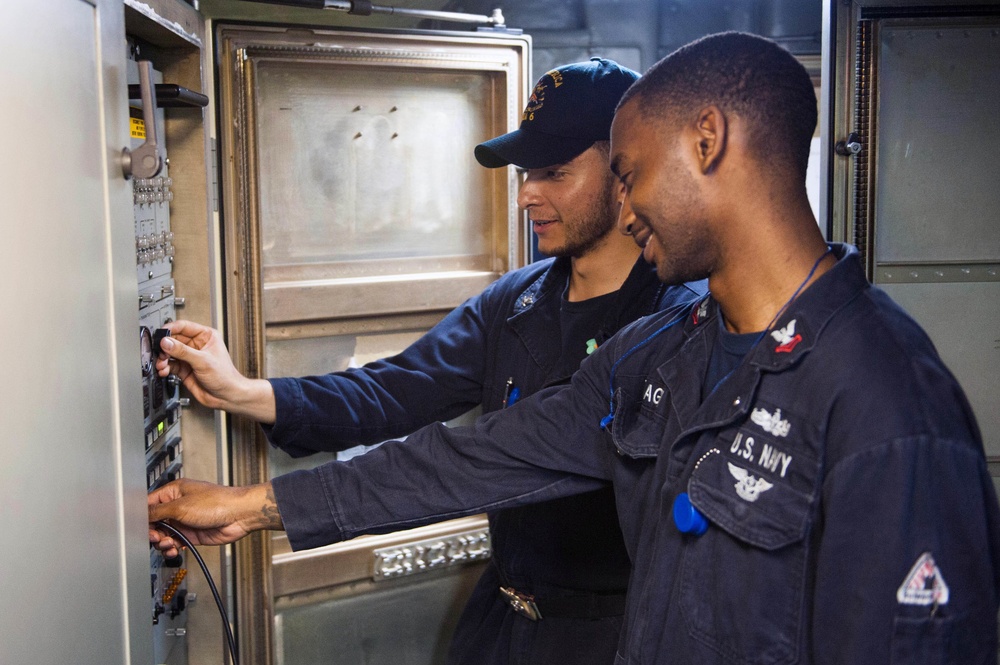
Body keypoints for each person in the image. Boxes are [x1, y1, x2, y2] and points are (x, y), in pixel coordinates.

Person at [150, 32, 1000, 664]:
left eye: (628, 173)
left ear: (707, 141)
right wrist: (255, 505)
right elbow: (476, 454)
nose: (626, 208)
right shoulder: (663, 352)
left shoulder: (889, 407)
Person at [152, 58, 706, 665]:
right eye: (525, 173)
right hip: (501, 625)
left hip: (607, 638)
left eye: (554, 172)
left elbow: (478, 462)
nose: (527, 195)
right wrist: (241, 391)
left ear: (624, 170)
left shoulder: (676, 320)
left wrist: (253, 505)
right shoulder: (515, 302)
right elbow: (392, 391)